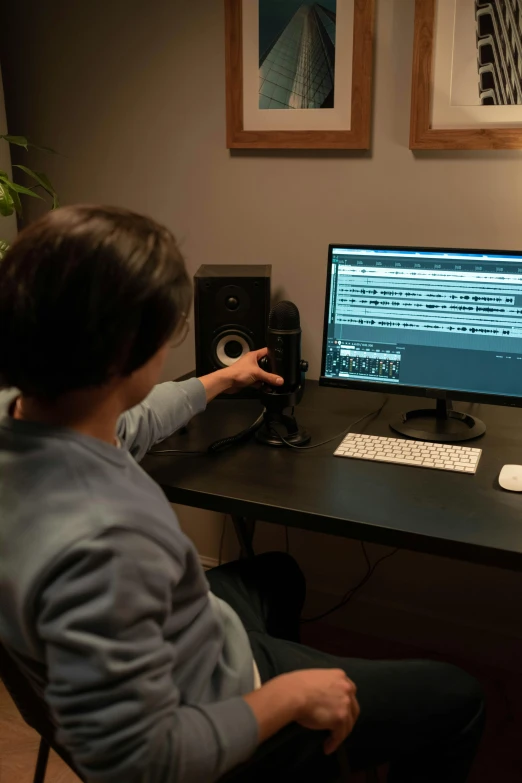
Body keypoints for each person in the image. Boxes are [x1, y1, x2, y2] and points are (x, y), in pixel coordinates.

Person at [0, 205, 484, 783]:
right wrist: (287, 699)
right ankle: (283, 743)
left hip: (184, 647)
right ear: (131, 352)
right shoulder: (107, 541)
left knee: (279, 576)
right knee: (458, 697)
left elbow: (134, 421)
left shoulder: (31, 415)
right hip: (210, 709)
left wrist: (222, 379)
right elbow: (142, 763)